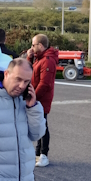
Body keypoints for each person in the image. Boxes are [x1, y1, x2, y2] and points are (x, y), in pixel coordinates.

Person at [29, 34, 58, 166]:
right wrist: (30, 57)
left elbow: (45, 83)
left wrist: (33, 97)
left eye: (33, 45)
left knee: (43, 125)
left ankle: (44, 154)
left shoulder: (47, 60)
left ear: (40, 45)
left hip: (41, 98)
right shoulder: (40, 58)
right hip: (38, 97)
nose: (32, 47)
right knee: (40, 124)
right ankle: (38, 153)